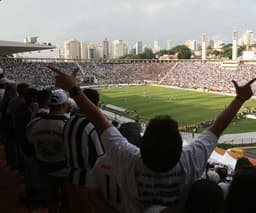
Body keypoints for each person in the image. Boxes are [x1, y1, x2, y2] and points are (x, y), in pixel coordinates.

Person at [49, 65, 256, 213]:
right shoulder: (191, 158)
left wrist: (73, 90)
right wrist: (239, 99)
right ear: (179, 148)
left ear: (142, 144)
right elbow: (217, 128)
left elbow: (99, 120)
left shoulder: (126, 157)